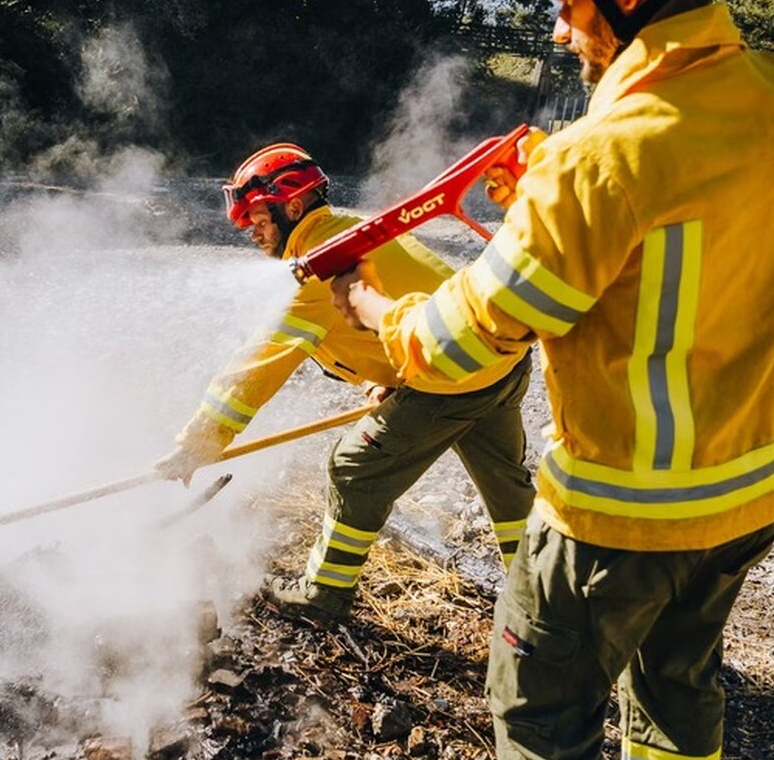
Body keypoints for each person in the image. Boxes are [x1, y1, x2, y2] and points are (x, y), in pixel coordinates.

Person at [333, 0, 774, 760]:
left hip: (609, 515)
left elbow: (467, 336)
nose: (554, 22)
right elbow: (670, 235)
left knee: (540, 711)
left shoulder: (597, 166)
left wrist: (367, 311)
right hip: (742, 497)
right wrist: (550, 183)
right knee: (683, 685)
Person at [159, 142, 535, 622]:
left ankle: (323, 594)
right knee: (506, 484)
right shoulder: (351, 232)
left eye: (258, 218)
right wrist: (381, 380)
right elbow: (399, 303)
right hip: (499, 363)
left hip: (447, 382)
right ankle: (539, 593)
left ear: (293, 206)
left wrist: (201, 441)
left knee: (354, 469)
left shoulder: (316, 264)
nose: (251, 232)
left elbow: (261, 361)